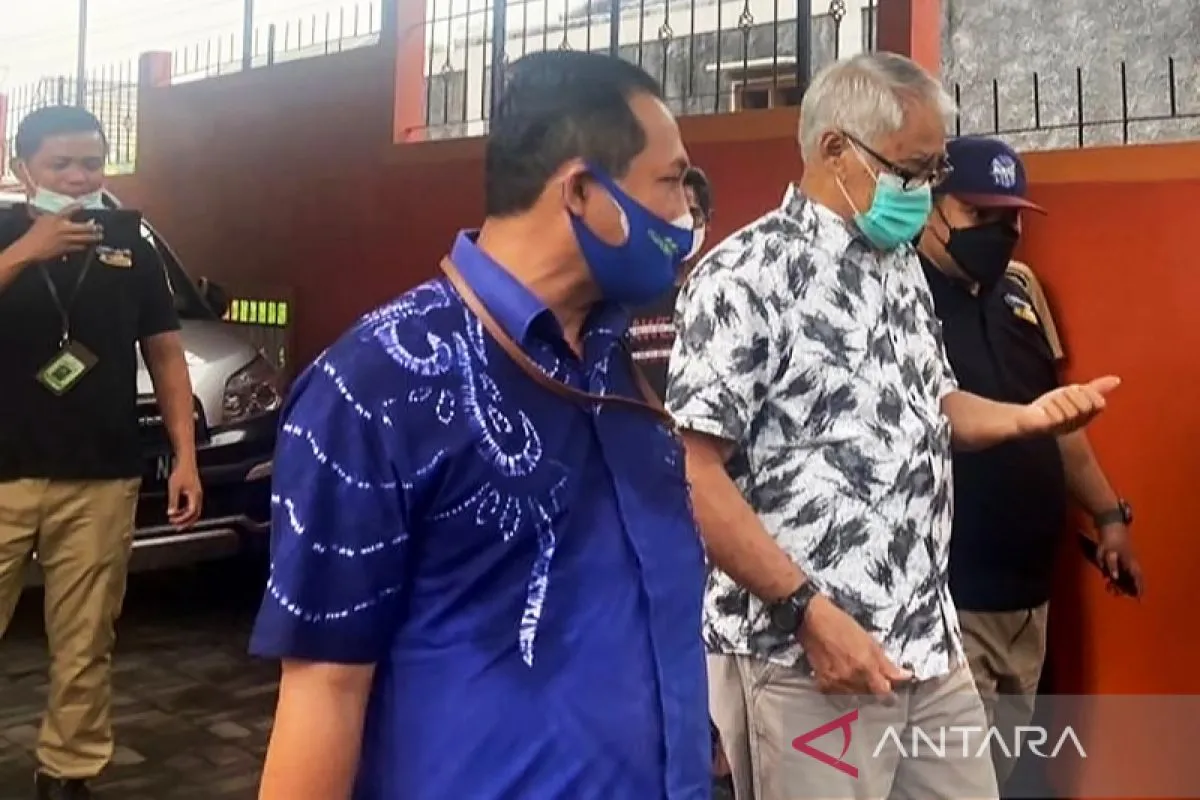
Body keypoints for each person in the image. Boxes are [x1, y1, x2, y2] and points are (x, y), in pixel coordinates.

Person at [249, 51, 711, 799]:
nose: (685, 211)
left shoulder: (623, 358)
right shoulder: (373, 387)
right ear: (583, 191)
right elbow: (323, 690)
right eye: (670, 180)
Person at [665, 52, 1120, 800]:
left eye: (934, 171)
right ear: (834, 149)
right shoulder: (744, 276)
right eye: (912, 170)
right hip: (807, 660)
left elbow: (933, 403)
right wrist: (809, 615)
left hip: (926, 643)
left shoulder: (899, 266)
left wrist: (1025, 418)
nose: (925, 191)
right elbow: (694, 471)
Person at [916, 135, 1144, 787]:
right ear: (931, 206)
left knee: (1001, 775)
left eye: (1011, 218)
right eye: (978, 215)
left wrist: (1110, 517)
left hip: (1028, 604)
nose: (1000, 232)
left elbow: (1057, 421)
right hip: (951, 603)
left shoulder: (1019, 294)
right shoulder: (900, 300)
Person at [0, 105, 202, 800]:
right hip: (3, 473)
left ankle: (68, 770)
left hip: (100, 476)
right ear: (22, 167)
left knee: (86, 641)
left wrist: (184, 456)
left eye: (92, 163)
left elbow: (167, 354)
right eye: (60, 164)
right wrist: (25, 253)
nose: (79, 178)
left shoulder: (130, 248)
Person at [628, 165, 713, 398]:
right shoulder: (625, 296)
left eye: (693, 213)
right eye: (674, 214)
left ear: (708, 222)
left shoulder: (720, 297)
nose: (683, 223)